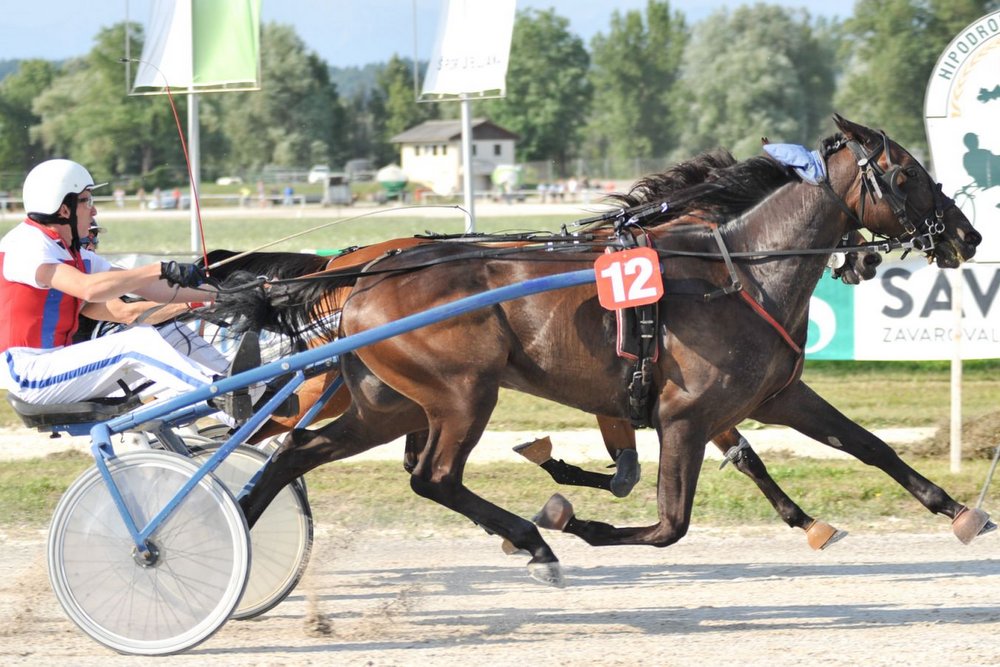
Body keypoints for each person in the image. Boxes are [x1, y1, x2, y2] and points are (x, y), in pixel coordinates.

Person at [0, 159, 258, 418]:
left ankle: (251, 392)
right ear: (63, 209)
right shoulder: (26, 245)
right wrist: (157, 267)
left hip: (58, 366)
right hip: (30, 374)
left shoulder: (73, 253)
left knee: (170, 332)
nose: (94, 211)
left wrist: (226, 295)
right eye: (87, 200)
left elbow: (153, 288)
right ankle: (220, 396)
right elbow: (88, 289)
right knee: (136, 342)